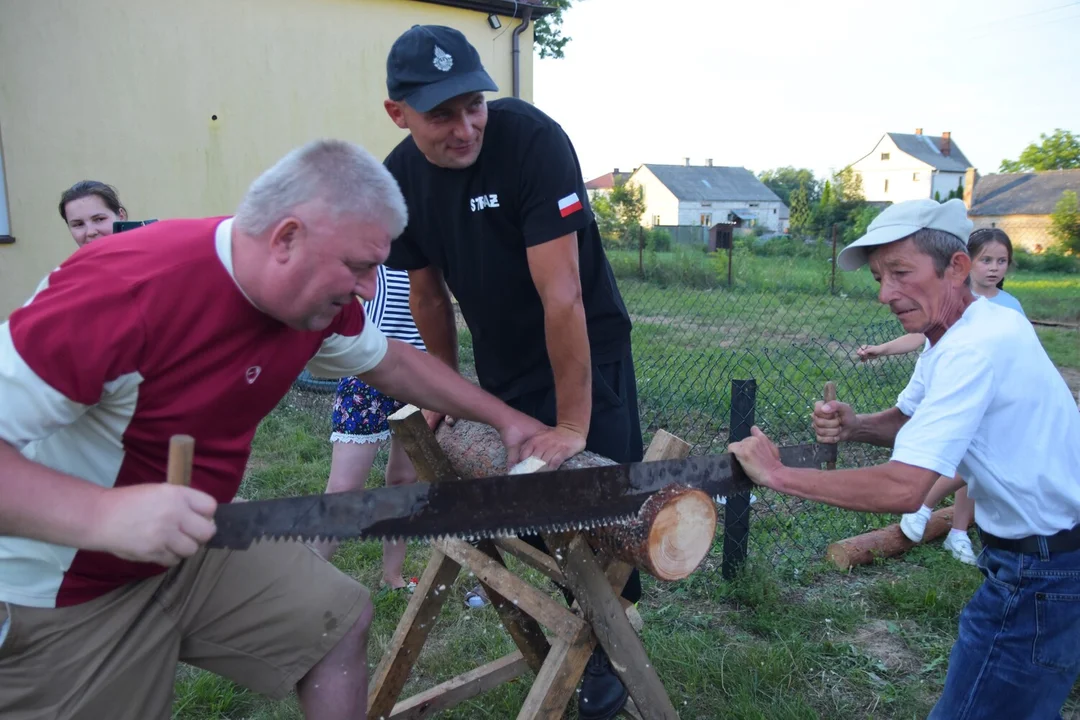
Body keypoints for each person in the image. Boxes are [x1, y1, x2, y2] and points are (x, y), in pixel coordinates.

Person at [0, 138, 552, 720]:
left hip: (186, 542)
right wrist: (104, 517)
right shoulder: (120, 293)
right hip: (66, 584)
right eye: (360, 267)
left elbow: (391, 361)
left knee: (336, 620)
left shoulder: (313, 304)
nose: (368, 288)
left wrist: (506, 419)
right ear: (286, 238)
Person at [729, 198, 1080, 719]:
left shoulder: (971, 349)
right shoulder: (958, 333)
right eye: (878, 277)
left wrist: (778, 474)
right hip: (1043, 559)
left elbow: (905, 488)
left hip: (1040, 572)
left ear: (956, 268)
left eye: (899, 272)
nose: (885, 294)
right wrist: (856, 426)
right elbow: (910, 420)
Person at [381, 25, 639, 720]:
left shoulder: (532, 141)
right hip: (501, 357)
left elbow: (564, 296)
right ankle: (574, 630)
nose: (466, 128)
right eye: (443, 115)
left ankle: (608, 652)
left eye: (474, 106)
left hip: (586, 346)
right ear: (397, 113)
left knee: (600, 501)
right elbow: (427, 293)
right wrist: (444, 391)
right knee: (529, 510)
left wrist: (570, 422)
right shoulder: (397, 178)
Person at [856, 228, 1029, 565]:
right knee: (961, 459)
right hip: (950, 386)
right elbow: (922, 336)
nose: (994, 268)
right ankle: (927, 509)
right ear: (962, 266)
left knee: (974, 465)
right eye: (987, 260)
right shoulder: (951, 299)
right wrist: (882, 349)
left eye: (1002, 261)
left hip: (989, 397)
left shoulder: (1009, 308)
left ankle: (956, 529)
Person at [320, 265, 424, 591]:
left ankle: (392, 576)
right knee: (344, 489)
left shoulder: (431, 232)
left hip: (421, 372)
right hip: (369, 368)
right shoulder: (379, 230)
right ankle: (302, 577)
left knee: (404, 480)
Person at [58, 180, 129, 247]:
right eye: (79, 224)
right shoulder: (73, 260)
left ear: (121, 216)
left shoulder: (139, 257)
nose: (90, 232)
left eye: (99, 219)